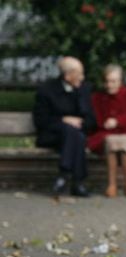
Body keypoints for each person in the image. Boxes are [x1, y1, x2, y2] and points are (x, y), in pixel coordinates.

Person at [33, 56, 96, 197]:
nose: (82, 77)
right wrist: (63, 120)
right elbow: (40, 121)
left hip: (76, 136)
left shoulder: (84, 89)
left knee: (76, 135)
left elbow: (91, 120)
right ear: (68, 75)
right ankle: (78, 183)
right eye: (79, 73)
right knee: (72, 132)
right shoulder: (46, 90)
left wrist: (80, 120)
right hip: (52, 136)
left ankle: (64, 173)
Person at [87, 64, 126, 197]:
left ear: (120, 81)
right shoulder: (97, 98)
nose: (109, 85)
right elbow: (93, 121)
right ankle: (112, 185)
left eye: (113, 81)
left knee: (124, 141)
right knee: (112, 142)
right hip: (104, 135)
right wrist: (105, 123)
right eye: (107, 81)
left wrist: (118, 122)